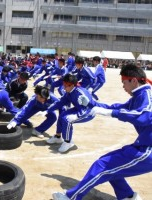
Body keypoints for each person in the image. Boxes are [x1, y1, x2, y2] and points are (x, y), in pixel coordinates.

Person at [52, 64, 152, 200]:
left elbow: (144, 116)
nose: (123, 87)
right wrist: (91, 104)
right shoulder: (138, 96)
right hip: (143, 146)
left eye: (124, 82)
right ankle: (128, 196)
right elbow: (115, 107)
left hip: (147, 150)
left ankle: (71, 197)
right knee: (108, 165)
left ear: (133, 80)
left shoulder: (147, 95)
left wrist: (111, 113)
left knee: (103, 166)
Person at [46, 73, 95, 153]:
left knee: (67, 120)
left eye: (66, 86)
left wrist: (75, 117)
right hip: (79, 109)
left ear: (72, 85)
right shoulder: (69, 92)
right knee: (62, 115)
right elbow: (60, 103)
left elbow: (87, 108)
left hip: (88, 112)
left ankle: (68, 142)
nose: (64, 88)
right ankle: (58, 137)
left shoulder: (80, 93)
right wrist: (47, 110)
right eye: (63, 85)